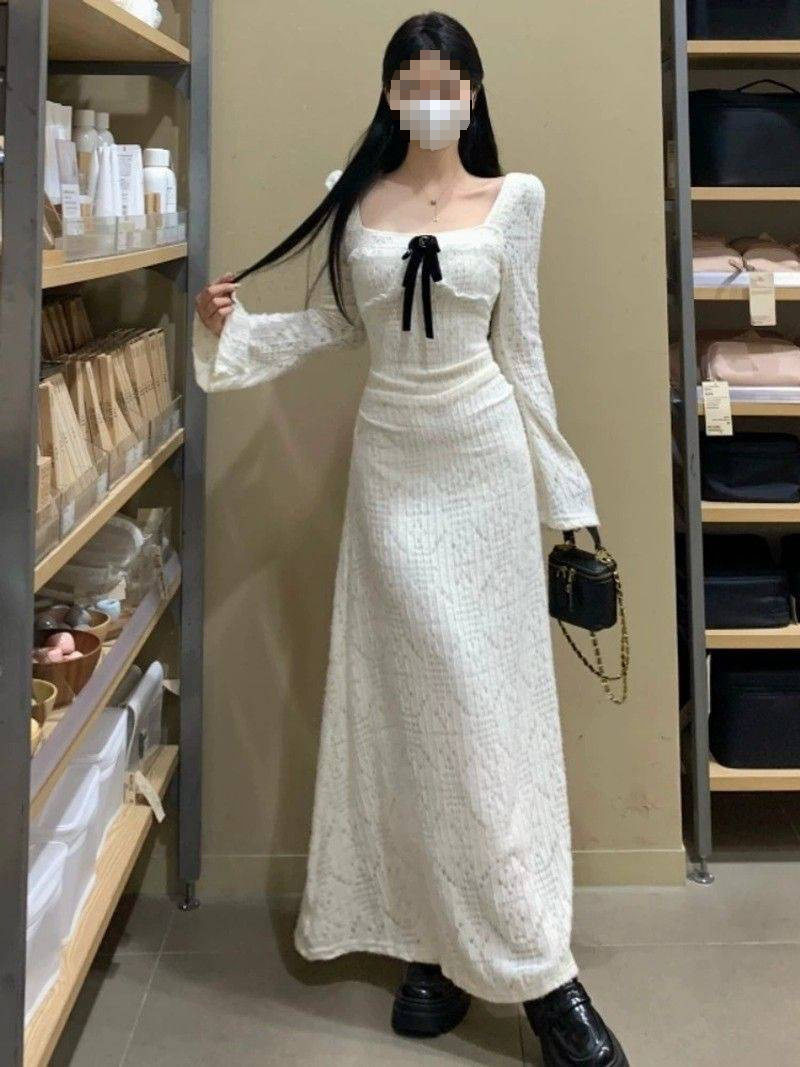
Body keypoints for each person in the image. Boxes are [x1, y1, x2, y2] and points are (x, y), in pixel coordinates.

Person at [193, 12, 628, 1067]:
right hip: (392, 467)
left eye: (447, 82)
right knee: (409, 705)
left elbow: (524, 351)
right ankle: (426, 943)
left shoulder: (515, 199)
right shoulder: (353, 199)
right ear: (390, 94)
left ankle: (538, 972)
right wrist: (232, 332)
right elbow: (341, 324)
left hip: (485, 462)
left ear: (473, 95)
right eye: (410, 82)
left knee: (484, 712)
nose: (429, 99)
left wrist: (566, 498)